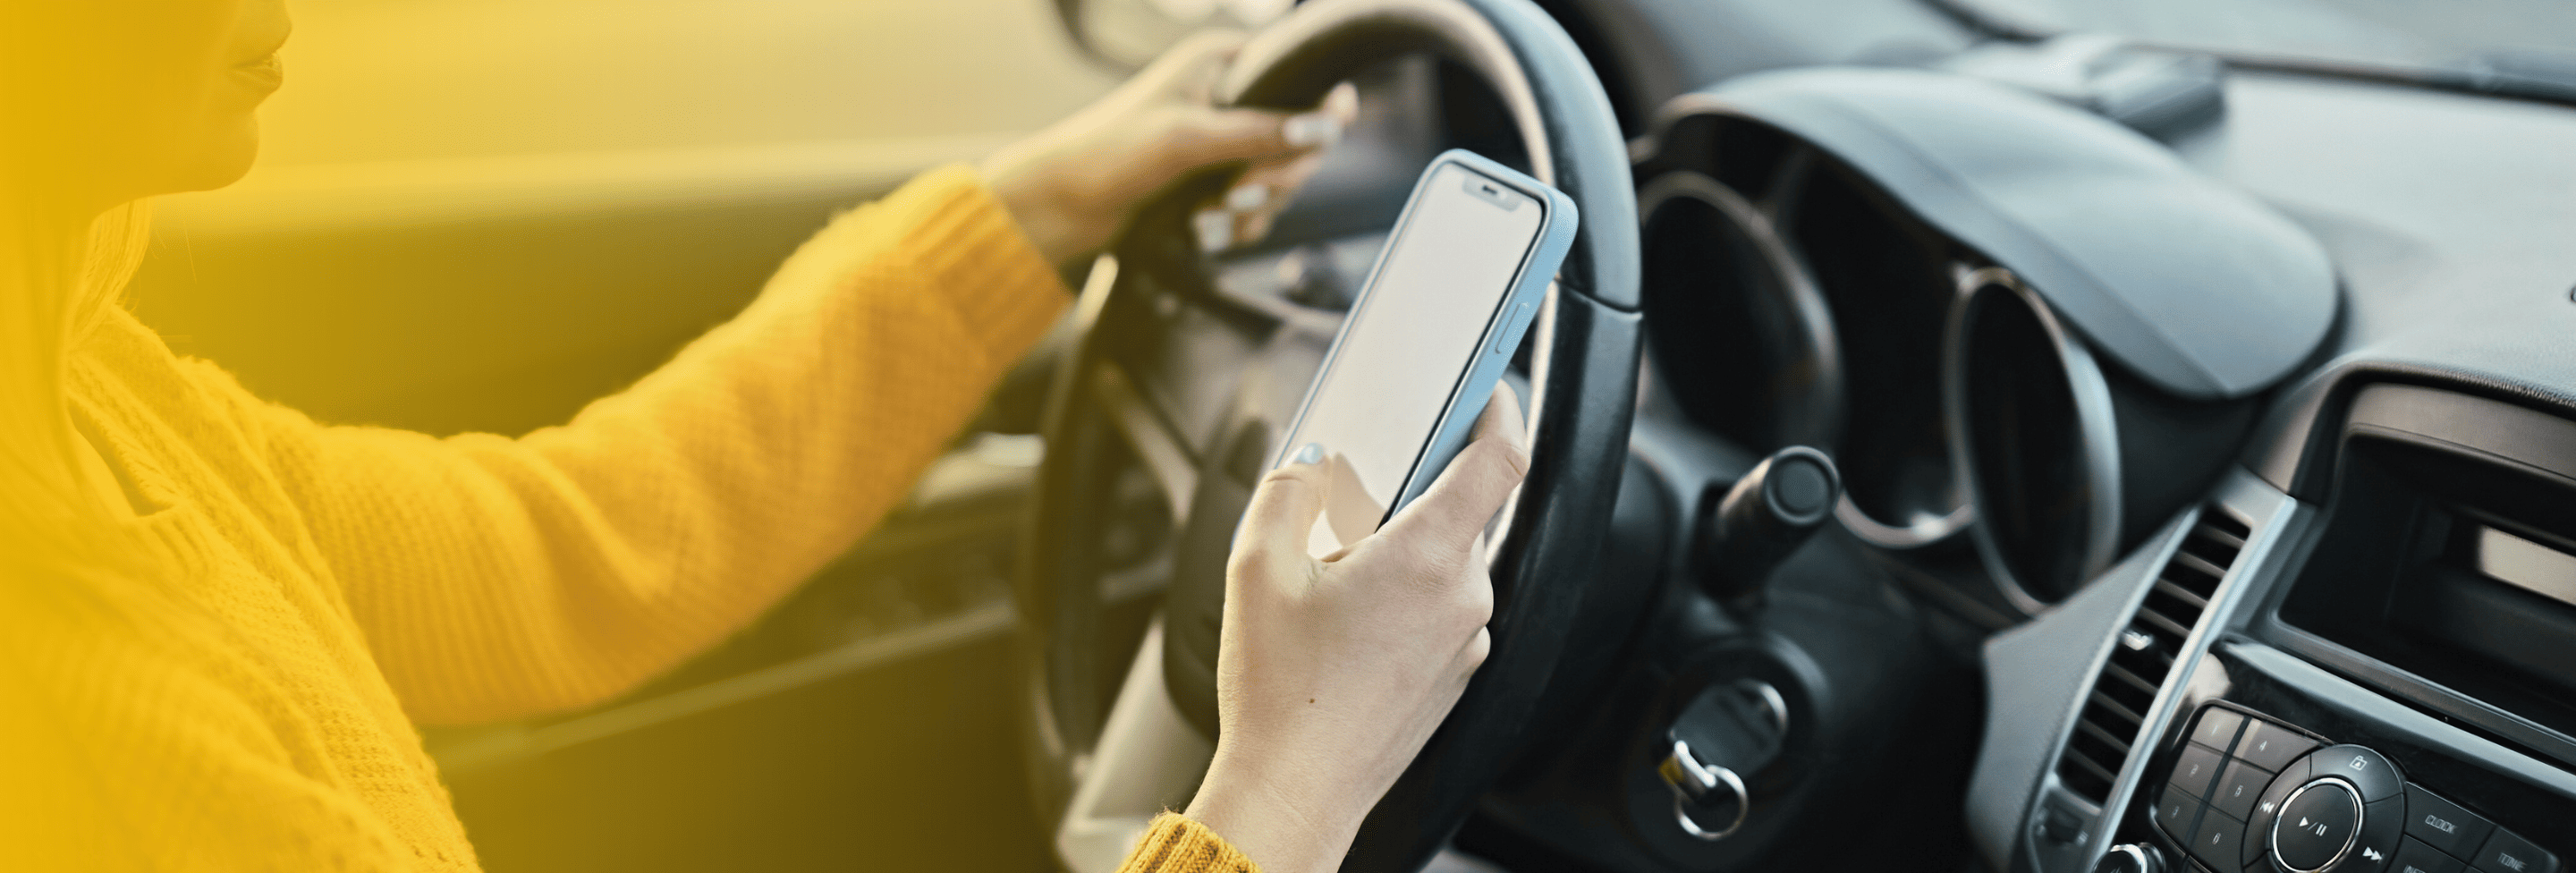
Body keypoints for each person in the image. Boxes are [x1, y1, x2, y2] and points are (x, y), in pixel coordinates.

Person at [0, 1, 1532, 871]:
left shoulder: (86, 399)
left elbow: (559, 549)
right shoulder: (84, 745)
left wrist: (1029, 215)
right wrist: (1286, 787)